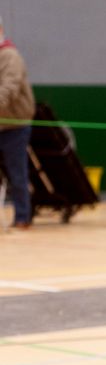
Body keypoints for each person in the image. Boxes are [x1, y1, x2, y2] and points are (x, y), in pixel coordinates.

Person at [0, 13, 35, 230]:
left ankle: (23, 216)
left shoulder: (10, 56)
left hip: (15, 125)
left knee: (17, 172)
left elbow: (9, 88)